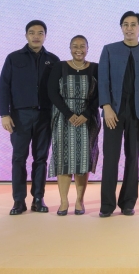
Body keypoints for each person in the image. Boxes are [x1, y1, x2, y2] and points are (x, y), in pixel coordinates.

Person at [98, 11, 139, 217]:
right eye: (126, 24)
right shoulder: (109, 50)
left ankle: (128, 203)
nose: (129, 28)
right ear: (121, 27)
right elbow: (103, 80)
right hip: (113, 113)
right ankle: (107, 205)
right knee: (111, 158)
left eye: (133, 24)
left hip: (137, 113)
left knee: (133, 157)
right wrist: (106, 107)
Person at [0, 20, 59, 215]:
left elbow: (58, 90)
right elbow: (4, 87)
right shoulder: (13, 58)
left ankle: (38, 199)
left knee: (41, 158)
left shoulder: (53, 60)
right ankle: (18, 201)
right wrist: (5, 114)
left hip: (45, 116)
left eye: (40, 33)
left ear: (45, 36)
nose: (36, 36)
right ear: (26, 35)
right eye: (32, 32)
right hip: (19, 116)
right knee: (19, 158)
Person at [47, 35, 101, 215]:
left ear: (88, 48)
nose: (79, 50)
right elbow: (52, 92)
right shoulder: (60, 67)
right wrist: (69, 114)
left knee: (82, 161)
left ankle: (79, 201)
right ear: (70, 48)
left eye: (82, 46)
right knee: (63, 160)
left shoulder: (95, 68)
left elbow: (100, 94)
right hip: (63, 118)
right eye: (75, 46)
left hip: (87, 119)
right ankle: (63, 202)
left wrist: (86, 114)